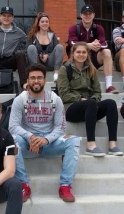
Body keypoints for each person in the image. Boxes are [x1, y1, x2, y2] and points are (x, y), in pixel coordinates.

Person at [9, 64, 81, 203]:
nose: (36, 81)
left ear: (45, 80)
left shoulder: (55, 99)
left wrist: (46, 139)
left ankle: (65, 186)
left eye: (39, 78)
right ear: (27, 81)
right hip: (28, 145)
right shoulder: (20, 100)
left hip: (50, 144)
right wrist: (30, 137)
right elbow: (13, 126)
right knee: (12, 140)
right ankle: (23, 185)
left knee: (74, 140)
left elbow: (61, 127)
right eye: (32, 78)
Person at [57, 42, 121, 157]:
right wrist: (80, 99)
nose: (81, 54)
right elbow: (64, 95)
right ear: (73, 54)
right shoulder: (65, 69)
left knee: (111, 103)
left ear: (87, 54)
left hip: (90, 108)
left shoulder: (91, 69)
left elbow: (97, 92)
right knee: (90, 103)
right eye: (78, 52)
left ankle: (112, 145)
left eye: (84, 52)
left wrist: (93, 100)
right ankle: (90, 145)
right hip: (70, 108)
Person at [67, 5, 118, 94]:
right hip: (78, 60)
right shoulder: (74, 28)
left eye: (90, 14)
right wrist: (88, 45)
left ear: (93, 15)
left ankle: (109, 85)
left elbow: (104, 44)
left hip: (93, 59)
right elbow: (72, 43)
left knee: (107, 52)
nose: (87, 16)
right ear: (81, 15)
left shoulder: (98, 28)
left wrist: (97, 45)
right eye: (85, 14)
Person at [26, 11, 64, 82]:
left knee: (60, 47)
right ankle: (36, 73)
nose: (45, 23)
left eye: (47, 22)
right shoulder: (32, 36)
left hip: (50, 63)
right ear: (38, 24)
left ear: (49, 24)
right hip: (37, 63)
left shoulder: (52, 35)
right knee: (31, 47)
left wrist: (48, 55)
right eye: (42, 22)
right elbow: (28, 51)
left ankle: (56, 74)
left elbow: (56, 51)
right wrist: (40, 55)